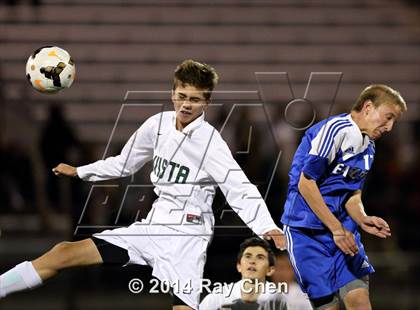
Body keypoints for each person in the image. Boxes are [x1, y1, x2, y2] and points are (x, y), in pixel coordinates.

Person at [0, 60, 285, 310]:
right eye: (182, 95)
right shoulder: (157, 125)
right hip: (152, 226)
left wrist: (265, 226)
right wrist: (81, 171)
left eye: (195, 99)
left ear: (206, 103)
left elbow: (239, 185)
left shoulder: (210, 142)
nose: (186, 104)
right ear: (172, 93)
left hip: (187, 235)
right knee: (64, 251)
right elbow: (124, 164)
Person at [280, 84, 407, 310]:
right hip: (307, 232)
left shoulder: (369, 146)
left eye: (394, 121)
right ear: (368, 107)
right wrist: (336, 229)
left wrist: (361, 218)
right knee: (329, 307)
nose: (390, 127)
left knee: (360, 302)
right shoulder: (336, 130)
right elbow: (306, 183)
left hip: (343, 232)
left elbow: (351, 192)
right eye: (388, 117)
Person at [200, 237, 288, 310]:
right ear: (239, 266)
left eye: (260, 257)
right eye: (248, 256)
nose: (252, 261)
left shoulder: (280, 300)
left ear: (270, 270)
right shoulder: (218, 298)